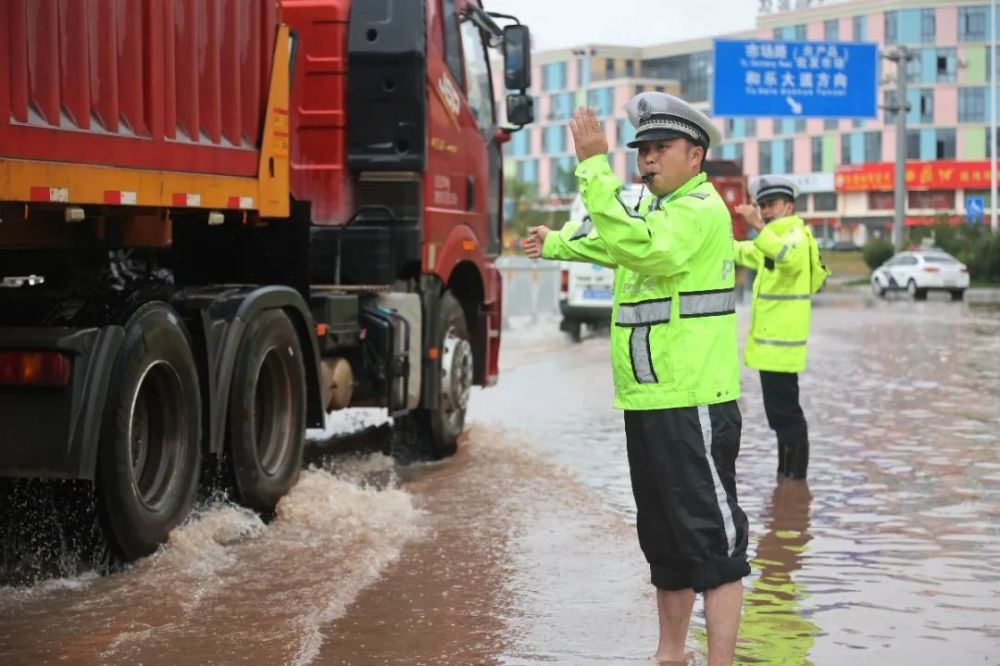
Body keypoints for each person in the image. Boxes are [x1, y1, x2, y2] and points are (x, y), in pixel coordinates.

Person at [523, 93, 749, 666]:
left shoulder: (700, 210)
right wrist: (554, 243)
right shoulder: (657, 210)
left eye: (660, 149)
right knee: (667, 546)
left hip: (693, 400)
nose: (647, 160)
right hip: (648, 400)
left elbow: (642, 248)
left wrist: (594, 165)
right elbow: (612, 240)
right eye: (642, 150)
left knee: (715, 548)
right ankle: (669, 656)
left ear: (694, 156)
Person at [733, 177, 829, 481]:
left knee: (787, 416)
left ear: (788, 206)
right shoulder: (771, 241)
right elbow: (741, 252)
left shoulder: (796, 236)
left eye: (771, 205)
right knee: (779, 416)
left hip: (782, 347)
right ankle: (785, 481)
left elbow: (788, 258)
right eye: (762, 206)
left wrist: (758, 227)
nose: (766, 211)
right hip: (769, 348)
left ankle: (794, 481)